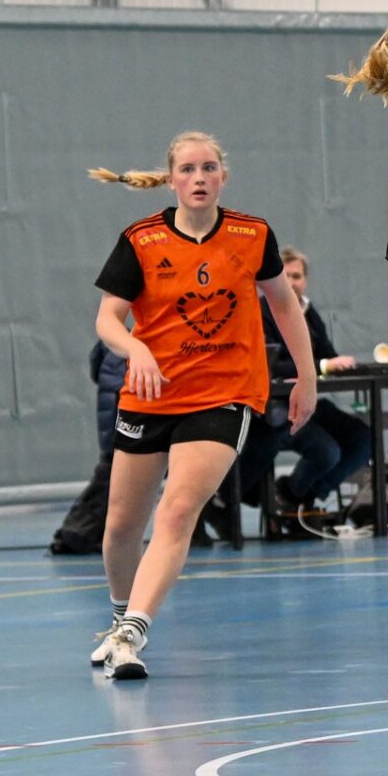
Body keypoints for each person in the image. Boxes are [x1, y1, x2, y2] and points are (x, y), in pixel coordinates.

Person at [87, 132, 316, 680]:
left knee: (177, 511)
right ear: (171, 180)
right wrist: (137, 348)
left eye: (209, 168)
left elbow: (284, 305)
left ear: (223, 178)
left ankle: (132, 632)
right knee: (121, 527)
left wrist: (306, 376)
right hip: (151, 393)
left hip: (224, 393)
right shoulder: (141, 239)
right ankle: (119, 618)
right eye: (188, 169)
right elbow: (106, 319)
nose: (198, 178)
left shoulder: (251, 235)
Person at [248, 246, 375, 512]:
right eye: (285, 276)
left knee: (363, 438)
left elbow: (328, 353)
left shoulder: (307, 310)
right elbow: (272, 366)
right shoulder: (260, 311)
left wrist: (338, 364)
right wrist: (322, 366)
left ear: (305, 280)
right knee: (327, 452)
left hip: (308, 403)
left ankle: (300, 497)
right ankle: (291, 497)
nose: (291, 283)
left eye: (297, 276)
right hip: (276, 412)